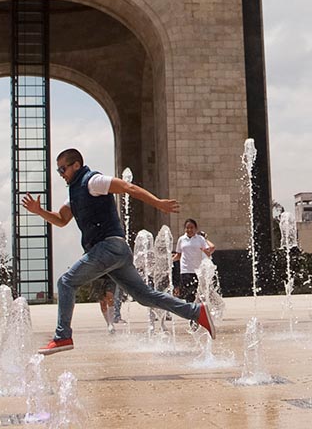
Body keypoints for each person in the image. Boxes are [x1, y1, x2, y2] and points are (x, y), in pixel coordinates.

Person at [21, 148, 216, 354]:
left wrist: (158, 203)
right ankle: (196, 312)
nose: (61, 174)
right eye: (59, 170)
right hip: (116, 252)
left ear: (76, 165)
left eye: (63, 169)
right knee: (145, 296)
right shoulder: (75, 192)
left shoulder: (93, 181)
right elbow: (61, 220)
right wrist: (40, 211)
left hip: (108, 247)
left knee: (66, 281)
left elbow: (128, 187)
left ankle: (63, 337)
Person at [173, 218, 215, 304]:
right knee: (189, 294)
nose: (189, 230)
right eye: (187, 228)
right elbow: (179, 255)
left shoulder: (200, 239)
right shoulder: (181, 239)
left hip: (198, 271)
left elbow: (209, 250)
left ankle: (198, 313)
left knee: (199, 293)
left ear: (196, 228)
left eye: (191, 227)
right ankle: (192, 314)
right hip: (185, 270)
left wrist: (205, 248)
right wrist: (170, 261)